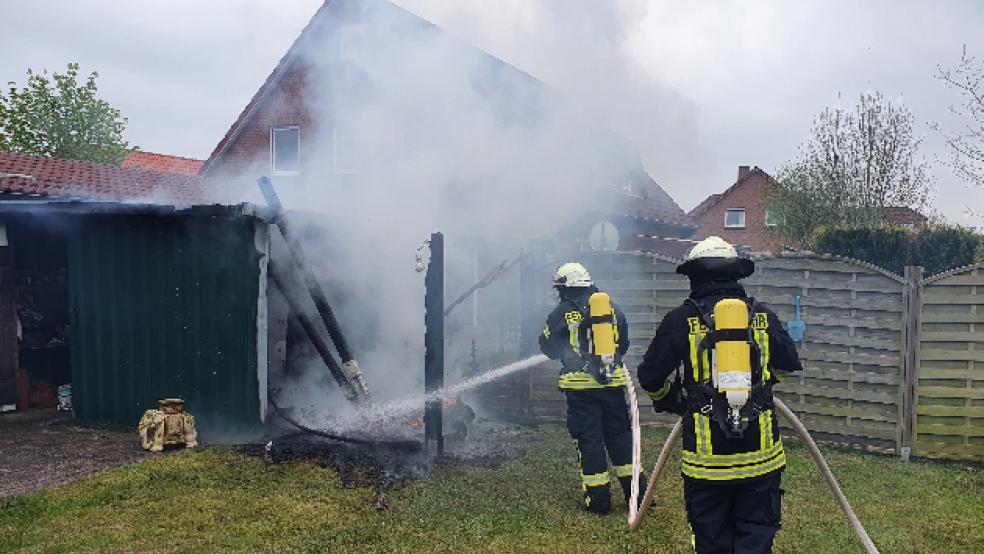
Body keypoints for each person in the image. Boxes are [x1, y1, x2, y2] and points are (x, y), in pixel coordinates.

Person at [637, 237, 802, 553]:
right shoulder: (763, 316)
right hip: (761, 459)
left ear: (694, 276)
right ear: (736, 275)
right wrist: (761, 390)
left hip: (706, 462)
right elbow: (788, 364)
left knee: (712, 542)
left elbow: (650, 376)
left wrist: (672, 400)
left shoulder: (680, 319)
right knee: (756, 539)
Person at [539, 262, 647, 515]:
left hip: (581, 390)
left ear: (564, 288)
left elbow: (548, 347)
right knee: (621, 438)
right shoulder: (612, 308)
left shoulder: (561, 313)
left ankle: (598, 501)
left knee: (590, 441)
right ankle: (638, 496)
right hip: (612, 384)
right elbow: (623, 344)